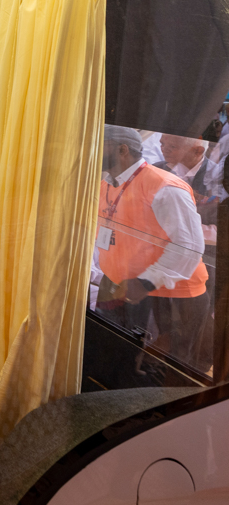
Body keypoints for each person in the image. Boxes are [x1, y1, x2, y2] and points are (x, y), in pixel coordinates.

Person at [95, 125, 209, 368]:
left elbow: (187, 247)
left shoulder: (165, 187)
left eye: (98, 145)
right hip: (120, 284)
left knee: (161, 372)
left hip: (165, 294)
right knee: (116, 358)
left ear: (122, 150)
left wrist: (145, 282)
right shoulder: (105, 183)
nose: (90, 152)